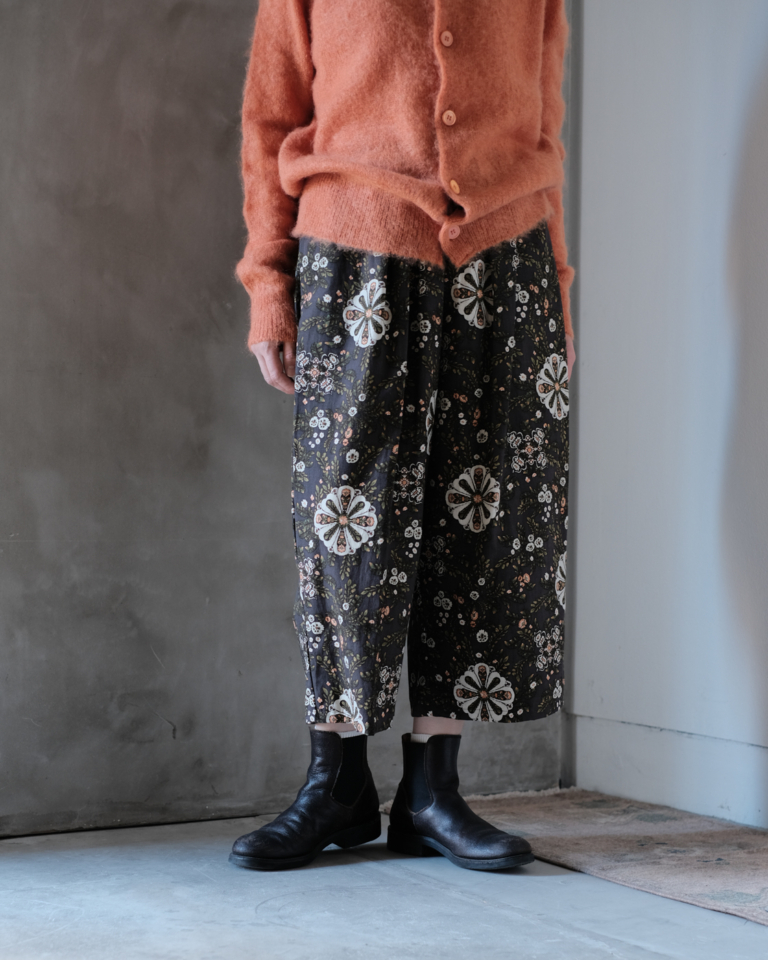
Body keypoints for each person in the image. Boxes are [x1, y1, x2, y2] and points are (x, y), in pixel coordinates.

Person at [229, 0, 575, 872]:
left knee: (481, 522)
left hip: (505, 254)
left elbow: (543, 122)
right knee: (344, 523)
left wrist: (559, 289)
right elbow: (269, 115)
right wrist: (267, 285)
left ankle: (432, 790)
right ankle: (337, 782)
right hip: (354, 251)